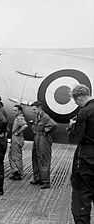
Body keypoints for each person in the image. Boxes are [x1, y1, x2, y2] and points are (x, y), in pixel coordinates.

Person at [68, 84, 94, 224]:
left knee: (81, 198)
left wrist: (72, 127)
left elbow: (75, 138)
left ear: (79, 97)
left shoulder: (84, 112)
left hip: (86, 159)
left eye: (75, 101)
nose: (76, 104)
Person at [30, 101, 57, 189]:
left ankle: (46, 181)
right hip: (37, 137)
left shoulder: (45, 116)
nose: (33, 111)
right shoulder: (38, 116)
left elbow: (53, 125)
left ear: (39, 108)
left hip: (43, 139)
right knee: (35, 157)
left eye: (34, 109)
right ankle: (37, 178)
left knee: (44, 158)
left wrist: (45, 131)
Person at [8, 105, 28, 180]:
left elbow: (25, 125)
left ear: (19, 111)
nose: (14, 112)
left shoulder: (19, 117)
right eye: (13, 110)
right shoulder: (17, 117)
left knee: (16, 157)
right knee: (11, 155)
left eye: (15, 110)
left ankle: (19, 173)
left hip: (17, 139)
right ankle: (15, 171)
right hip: (15, 139)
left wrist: (18, 132)